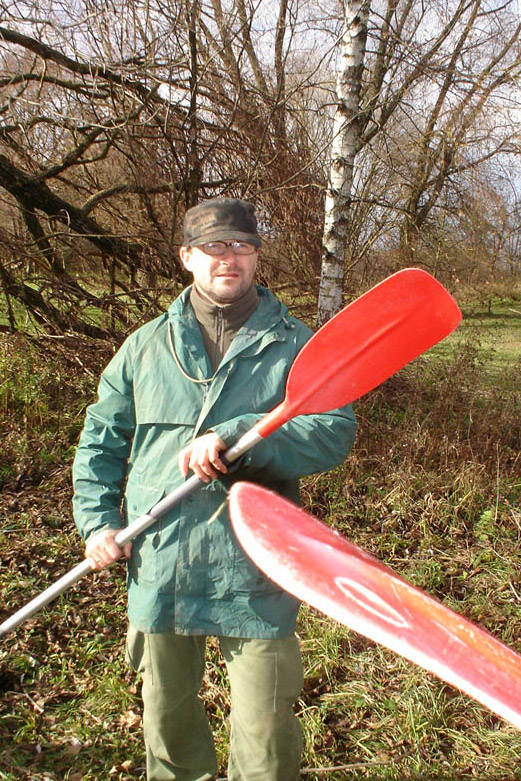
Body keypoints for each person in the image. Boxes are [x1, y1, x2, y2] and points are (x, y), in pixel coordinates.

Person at [72, 197, 357, 781]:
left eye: (242, 246)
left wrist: (240, 438)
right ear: (187, 257)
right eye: (214, 246)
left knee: (266, 730)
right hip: (162, 559)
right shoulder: (145, 347)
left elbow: (332, 432)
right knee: (167, 722)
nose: (229, 257)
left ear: (256, 257)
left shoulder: (294, 345)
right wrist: (98, 523)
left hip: (253, 563)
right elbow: (100, 442)